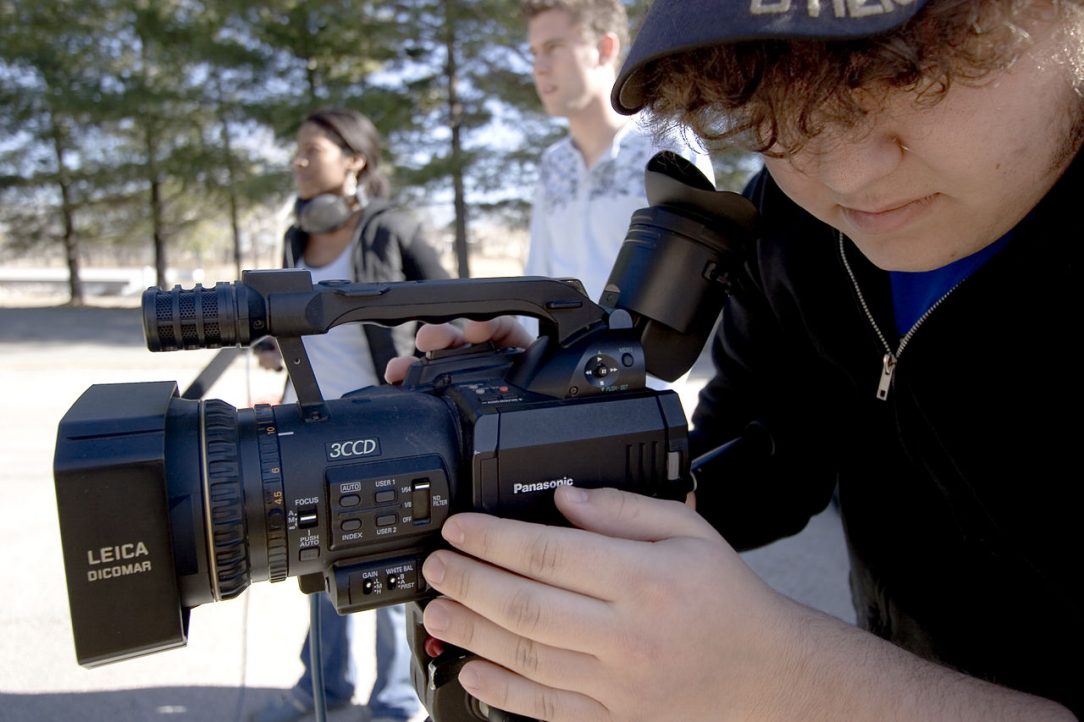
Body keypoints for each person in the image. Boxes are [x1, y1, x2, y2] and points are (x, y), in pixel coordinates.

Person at [385, 0, 1083, 719]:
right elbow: (772, 463)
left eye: (914, 73)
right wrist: (562, 440)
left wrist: (784, 680)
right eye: (772, 100)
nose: (845, 173)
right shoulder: (790, 224)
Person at [253, 107, 448, 722]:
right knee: (312, 559)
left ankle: (395, 704)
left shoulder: (392, 228)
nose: (299, 162)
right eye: (297, 152)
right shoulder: (294, 237)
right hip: (302, 427)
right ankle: (325, 688)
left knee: (386, 570)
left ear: (355, 159)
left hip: (378, 428)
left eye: (312, 150)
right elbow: (285, 316)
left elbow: (451, 302)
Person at [520, 0, 714, 327]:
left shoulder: (671, 146)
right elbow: (539, 271)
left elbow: (694, 282)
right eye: (534, 52)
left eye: (553, 47)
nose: (539, 66)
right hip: (557, 369)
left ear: (604, 48)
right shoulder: (553, 163)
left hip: (641, 370)